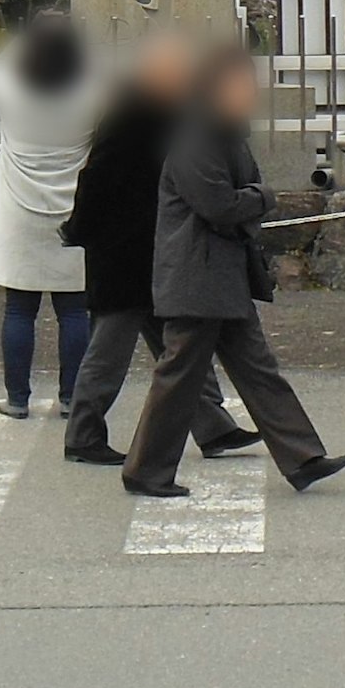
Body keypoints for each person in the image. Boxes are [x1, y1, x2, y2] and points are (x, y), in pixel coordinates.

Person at [123, 44, 345, 499]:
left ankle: (303, 457)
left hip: (221, 274)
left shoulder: (225, 133)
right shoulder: (196, 137)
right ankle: (145, 469)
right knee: (179, 376)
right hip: (196, 274)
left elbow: (238, 195)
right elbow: (219, 204)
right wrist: (262, 198)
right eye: (241, 84)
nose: (250, 92)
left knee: (257, 369)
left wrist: (252, 197)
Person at [61, 33, 256, 467]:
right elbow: (95, 180)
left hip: (157, 249)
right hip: (123, 251)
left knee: (181, 347)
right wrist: (81, 230)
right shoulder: (130, 114)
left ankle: (213, 426)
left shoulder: (172, 112)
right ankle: (83, 433)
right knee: (111, 351)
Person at [0, 11, 102, 419]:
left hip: (18, 207)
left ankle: (17, 398)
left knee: (19, 308)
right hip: (74, 206)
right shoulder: (92, 93)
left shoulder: (8, 88)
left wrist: (28, 36)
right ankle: (71, 398)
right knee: (73, 310)